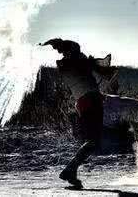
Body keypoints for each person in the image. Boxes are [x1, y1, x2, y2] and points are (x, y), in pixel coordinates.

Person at [40, 38, 114, 189]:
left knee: (92, 140)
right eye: (77, 50)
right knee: (93, 141)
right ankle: (70, 170)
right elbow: (101, 70)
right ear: (72, 51)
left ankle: (70, 171)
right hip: (90, 100)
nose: (81, 53)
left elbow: (92, 68)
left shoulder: (65, 65)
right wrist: (101, 66)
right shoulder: (77, 61)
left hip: (83, 102)